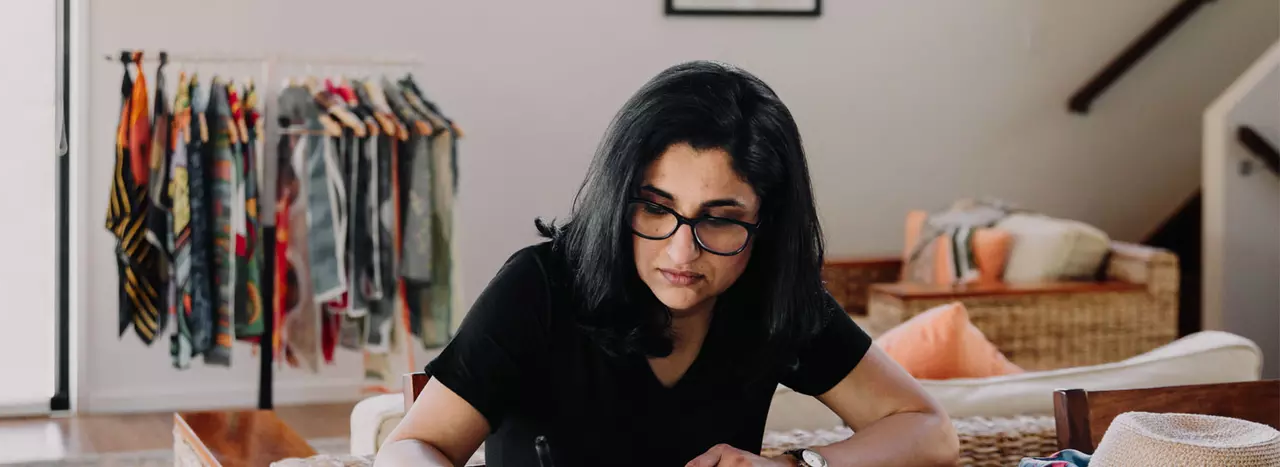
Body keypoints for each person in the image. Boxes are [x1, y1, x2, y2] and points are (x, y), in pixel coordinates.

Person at [376, 61, 958, 467]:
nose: (682, 252)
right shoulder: (541, 287)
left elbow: (931, 433)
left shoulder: (769, 295)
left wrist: (794, 464)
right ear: (619, 195)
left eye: (720, 219)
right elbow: (413, 446)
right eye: (656, 209)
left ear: (768, 224)